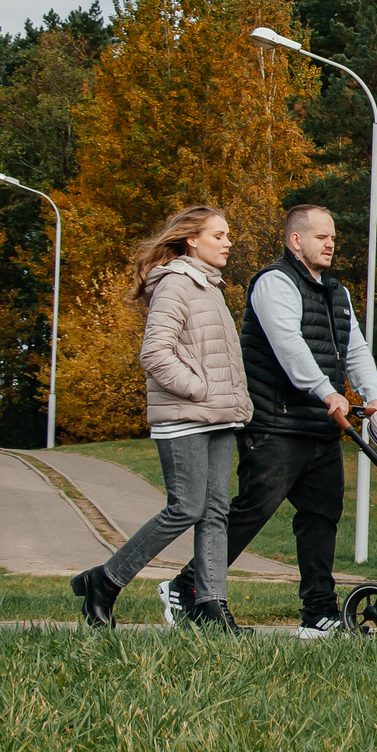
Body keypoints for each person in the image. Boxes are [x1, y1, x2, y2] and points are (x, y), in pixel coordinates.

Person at [160, 204, 377, 639]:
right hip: (275, 422)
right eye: (321, 236)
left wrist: (373, 396)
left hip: (321, 427)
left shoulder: (337, 293)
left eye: (333, 236)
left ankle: (319, 612)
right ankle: (186, 587)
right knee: (252, 510)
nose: (331, 243)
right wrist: (328, 392)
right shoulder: (273, 283)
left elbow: (355, 349)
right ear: (295, 240)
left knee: (321, 516)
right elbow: (289, 346)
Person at [70, 205, 253, 632]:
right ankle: (106, 581)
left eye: (228, 236)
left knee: (215, 513)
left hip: (217, 418)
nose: (229, 243)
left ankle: (211, 609)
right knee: (186, 507)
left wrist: (225, 401)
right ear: (192, 239)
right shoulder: (176, 284)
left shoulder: (209, 287)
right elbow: (154, 354)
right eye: (220, 235)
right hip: (186, 417)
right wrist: (199, 389)